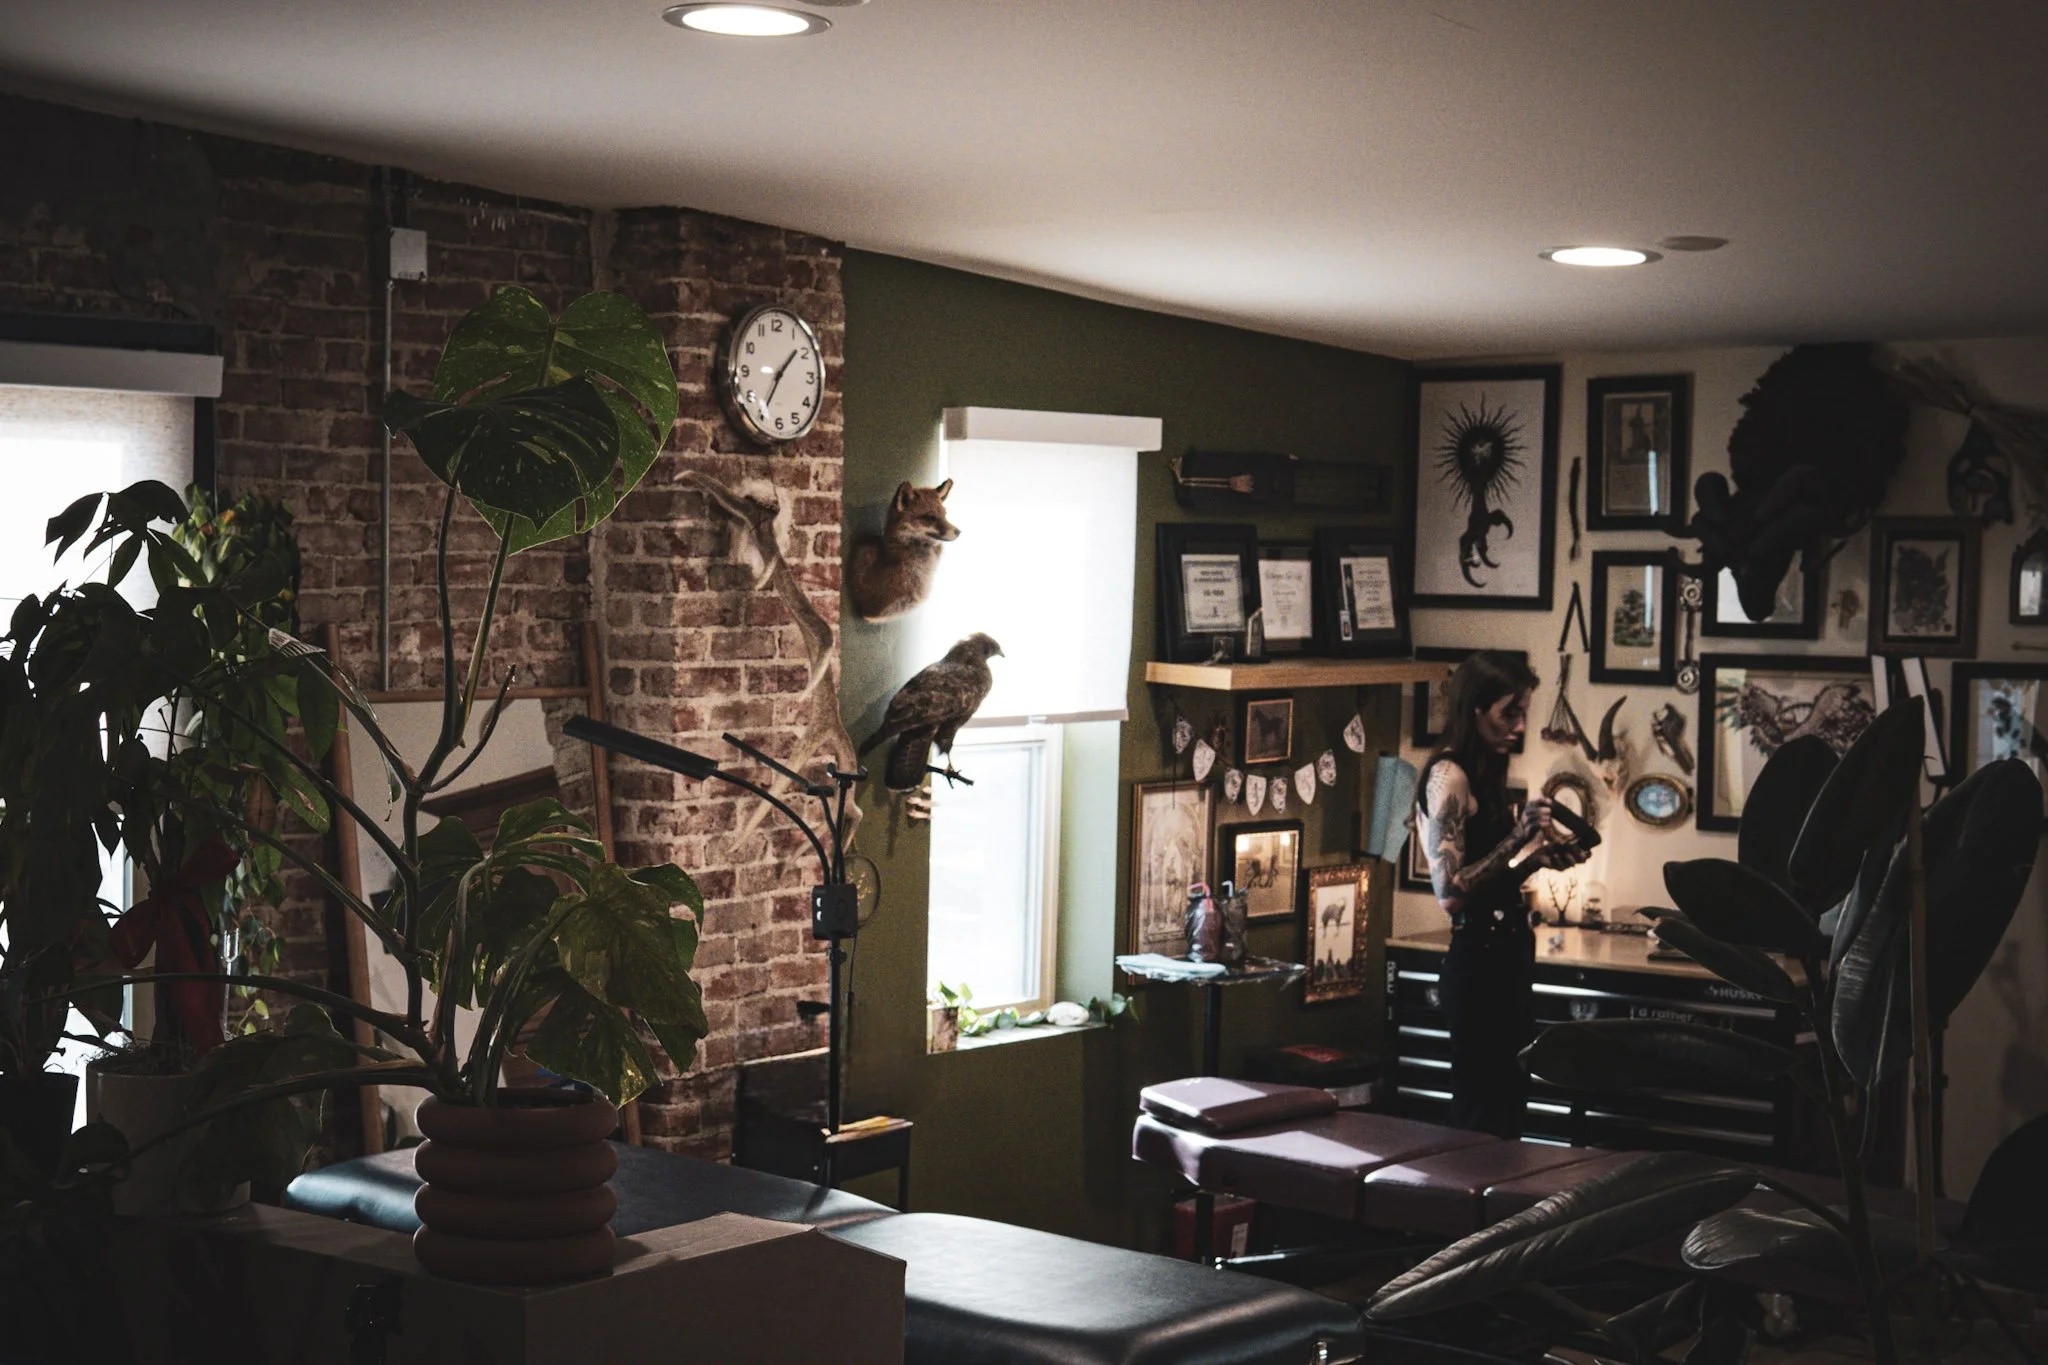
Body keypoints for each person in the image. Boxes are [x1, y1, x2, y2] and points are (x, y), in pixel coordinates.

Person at [1417, 652, 1590, 1138]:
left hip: (1507, 953)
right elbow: (1450, 893)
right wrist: (1518, 840)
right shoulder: (1448, 777)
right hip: (1477, 961)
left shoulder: (1486, 770)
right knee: (1481, 1110)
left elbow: (1487, 878)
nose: (1518, 727)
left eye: (1523, 714)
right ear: (1476, 709)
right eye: (1508, 713)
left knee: (1510, 1105)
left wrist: (1535, 862)